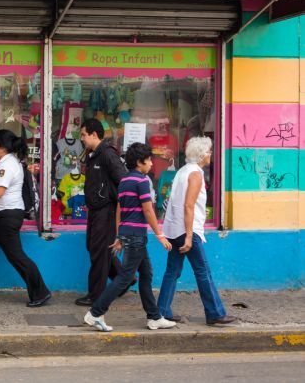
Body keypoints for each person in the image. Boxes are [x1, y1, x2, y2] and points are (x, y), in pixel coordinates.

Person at [84, 143, 176, 331]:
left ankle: (154, 317)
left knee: (146, 273)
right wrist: (159, 233)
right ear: (140, 162)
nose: (151, 163)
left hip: (128, 233)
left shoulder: (125, 180)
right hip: (136, 235)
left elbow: (120, 209)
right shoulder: (142, 181)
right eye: (149, 160)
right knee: (125, 277)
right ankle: (95, 313)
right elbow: (148, 209)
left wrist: (119, 234)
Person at [157, 136, 236, 326]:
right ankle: (215, 313)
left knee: (172, 271)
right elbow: (189, 206)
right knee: (203, 272)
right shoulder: (196, 174)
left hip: (174, 229)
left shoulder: (183, 171)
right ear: (201, 155)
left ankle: (162, 311)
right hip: (186, 231)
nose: (210, 154)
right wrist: (190, 236)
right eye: (208, 151)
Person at [0, 129, 51, 307]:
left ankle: (40, 292)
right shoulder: (3, 163)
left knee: (16, 256)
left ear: (1, 147)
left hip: (6, 216)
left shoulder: (7, 165)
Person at [76, 118, 129, 307]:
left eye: (83, 135)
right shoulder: (92, 155)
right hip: (95, 210)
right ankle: (124, 279)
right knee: (94, 248)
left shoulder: (107, 155)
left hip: (106, 211)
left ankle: (95, 295)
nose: (81, 138)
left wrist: (115, 203)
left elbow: (123, 180)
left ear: (94, 135)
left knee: (98, 252)